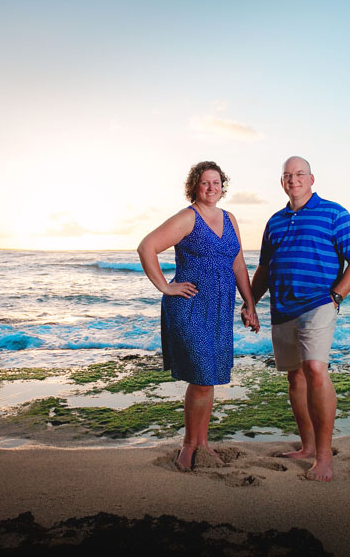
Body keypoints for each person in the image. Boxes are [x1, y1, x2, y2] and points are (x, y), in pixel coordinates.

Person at [243, 156, 350, 482]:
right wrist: (251, 304)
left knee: (315, 369)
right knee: (295, 378)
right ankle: (308, 447)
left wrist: (336, 295)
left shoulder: (334, 213)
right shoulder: (275, 221)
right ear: (282, 181)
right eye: (287, 175)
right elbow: (265, 270)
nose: (293, 179)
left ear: (312, 179)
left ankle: (325, 457)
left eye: (299, 174)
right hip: (282, 309)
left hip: (319, 304)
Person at [138, 161, 259, 471]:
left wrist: (250, 303)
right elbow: (147, 247)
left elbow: (238, 264)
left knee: (209, 379)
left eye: (216, 182)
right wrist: (166, 287)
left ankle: (202, 444)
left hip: (220, 309)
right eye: (205, 182)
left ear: (223, 186)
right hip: (190, 307)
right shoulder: (187, 218)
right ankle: (188, 447)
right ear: (194, 186)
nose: (211, 187)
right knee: (203, 376)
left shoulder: (230, 219)